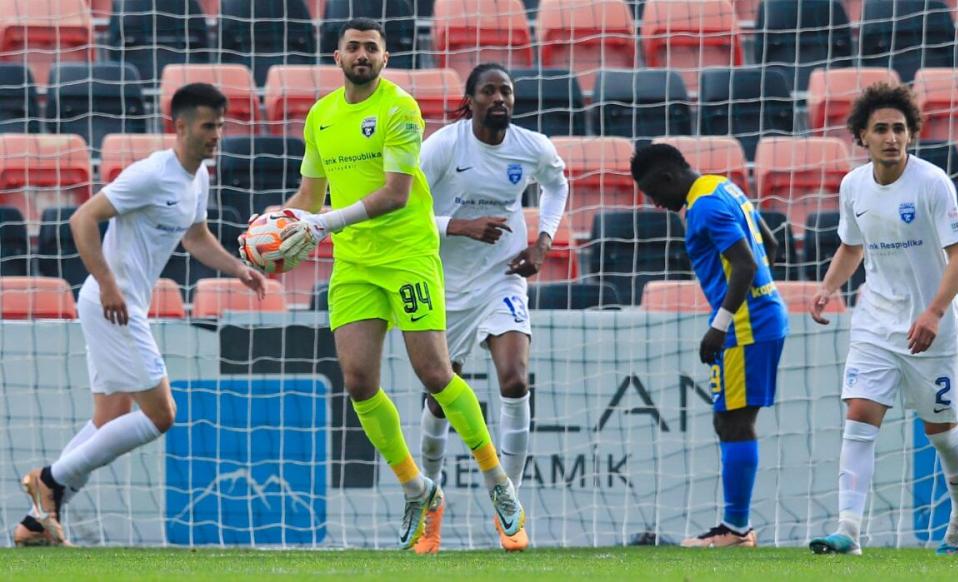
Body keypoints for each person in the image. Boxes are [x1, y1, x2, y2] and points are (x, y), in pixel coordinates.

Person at [271, 19, 525, 550]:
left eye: (372, 48)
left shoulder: (400, 109)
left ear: (385, 59)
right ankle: (418, 489)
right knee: (358, 382)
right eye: (353, 47)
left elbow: (395, 194)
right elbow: (309, 197)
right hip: (355, 263)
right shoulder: (321, 116)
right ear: (337, 57)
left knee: (434, 373)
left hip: (408, 256)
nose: (362, 54)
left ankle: (498, 482)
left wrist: (322, 224)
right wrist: (271, 230)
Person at [15, 83, 267, 547]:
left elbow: (195, 237)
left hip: (120, 304)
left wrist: (238, 269)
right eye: (208, 126)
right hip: (113, 305)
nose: (217, 135)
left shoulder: (198, 177)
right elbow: (82, 219)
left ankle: (36, 524)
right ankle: (48, 479)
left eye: (220, 125)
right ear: (180, 126)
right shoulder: (151, 174)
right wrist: (109, 284)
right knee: (161, 415)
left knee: (109, 420)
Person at [808, 83, 958, 556]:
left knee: (943, 435)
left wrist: (934, 312)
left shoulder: (932, 183)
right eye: (880, 129)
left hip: (933, 332)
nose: (891, 138)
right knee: (859, 416)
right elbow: (852, 246)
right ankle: (848, 530)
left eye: (899, 129)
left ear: (911, 133)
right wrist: (827, 288)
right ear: (862, 135)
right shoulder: (853, 186)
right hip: (876, 323)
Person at [412, 63, 569, 554]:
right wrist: (459, 226)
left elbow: (558, 185)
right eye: (489, 90)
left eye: (506, 91)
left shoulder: (531, 146)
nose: (499, 98)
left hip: (503, 277)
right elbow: (406, 208)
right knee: (441, 396)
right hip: (447, 284)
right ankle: (428, 506)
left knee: (515, 379)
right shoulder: (443, 147)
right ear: (471, 99)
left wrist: (542, 244)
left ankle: (510, 506)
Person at [630, 143, 788, 548]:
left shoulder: (704, 207)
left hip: (745, 325)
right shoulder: (722, 186)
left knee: (734, 421)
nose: (657, 204)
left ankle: (736, 529)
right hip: (759, 315)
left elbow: (747, 263)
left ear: (668, 177)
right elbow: (769, 244)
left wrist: (720, 324)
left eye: (654, 194)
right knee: (729, 419)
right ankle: (736, 526)